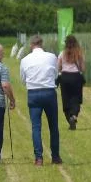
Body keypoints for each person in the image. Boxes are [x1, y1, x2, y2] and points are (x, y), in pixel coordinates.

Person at [19, 35, 62, 165]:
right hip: (49, 92)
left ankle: (39, 158)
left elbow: (23, 80)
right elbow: (56, 74)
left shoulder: (25, 60)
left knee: (36, 127)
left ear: (31, 45)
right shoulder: (52, 57)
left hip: (33, 93)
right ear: (42, 44)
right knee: (53, 126)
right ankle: (55, 157)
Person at [57, 34, 86, 130]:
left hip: (65, 78)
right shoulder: (79, 54)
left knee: (66, 99)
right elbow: (83, 68)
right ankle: (73, 116)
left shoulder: (62, 54)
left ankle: (70, 119)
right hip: (76, 78)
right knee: (76, 99)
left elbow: (59, 67)